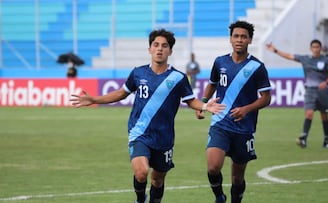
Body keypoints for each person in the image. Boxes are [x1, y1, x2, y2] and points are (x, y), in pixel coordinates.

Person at [70, 29, 225, 203]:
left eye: (164, 46)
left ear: (170, 51)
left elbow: (190, 101)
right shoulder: (138, 73)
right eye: (156, 45)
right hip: (139, 133)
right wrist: (93, 99)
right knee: (141, 172)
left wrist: (204, 105)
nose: (160, 49)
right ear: (149, 49)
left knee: (157, 180)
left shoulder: (178, 78)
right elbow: (121, 93)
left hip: (164, 138)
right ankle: (139, 199)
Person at [196, 21, 271, 203]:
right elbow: (212, 84)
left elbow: (266, 98)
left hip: (243, 127)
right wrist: (203, 104)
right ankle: (219, 197)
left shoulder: (257, 67)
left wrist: (246, 109)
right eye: (236, 36)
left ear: (250, 40)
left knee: (237, 178)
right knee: (213, 167)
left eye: (243, 37)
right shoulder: (220, 62)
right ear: (230, 39)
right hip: (220, 123)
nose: (239, 40)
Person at [266, 39, 328, 148]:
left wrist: (326, 82)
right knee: (309, 113)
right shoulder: (305, 59)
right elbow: (289, 56)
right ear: (310, 48)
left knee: (324, 116)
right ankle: (304, 138)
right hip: (310, 91)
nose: (316, 49)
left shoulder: (326, 60)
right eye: (314, 47)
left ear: (320, 49)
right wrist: (275, 50)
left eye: (318, 47)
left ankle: (326, 140)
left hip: (322, 91)